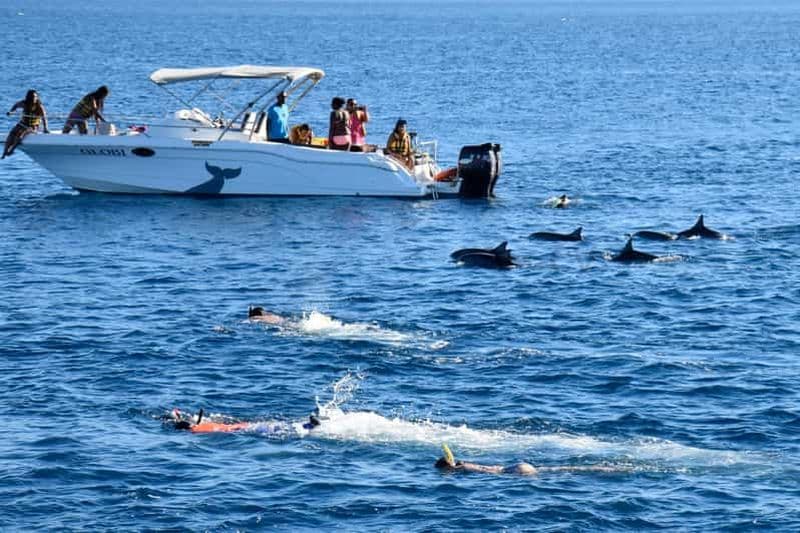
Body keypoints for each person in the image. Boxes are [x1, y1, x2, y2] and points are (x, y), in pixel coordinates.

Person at [435, 444, 621, 476]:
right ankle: (605, 468)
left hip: (514, 472)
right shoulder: (464, 463)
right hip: (516, 466)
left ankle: (603, 469)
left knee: (560, 472)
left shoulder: (460, 468)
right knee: (559, 469)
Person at [167, 407, 321, 434]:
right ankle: (307, 426)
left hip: (241, 429)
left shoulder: (197, 429)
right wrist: (176, 415)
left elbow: (184, 424)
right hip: (242, 427)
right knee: (278, 427)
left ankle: (308, 426)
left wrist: (176, 418)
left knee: (278, 429)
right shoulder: (199, 427)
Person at [3, 89, 49, 159]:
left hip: (33, 126)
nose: (34, 98)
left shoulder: (39, 107)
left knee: (21, 134)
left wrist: (45, 128)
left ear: (37, 97)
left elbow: (44, 118)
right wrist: (11, 111)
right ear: (28, 97)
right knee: (12, 133)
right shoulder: (24, 103)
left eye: (35, 97)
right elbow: (16, 105)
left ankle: (11, 150)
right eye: (32, 97)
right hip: (22, 124)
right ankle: (5, 152)